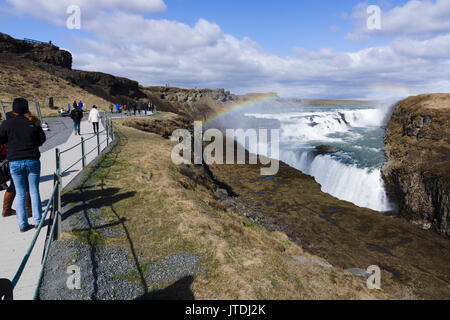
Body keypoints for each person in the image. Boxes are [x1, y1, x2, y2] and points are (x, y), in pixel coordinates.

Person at [0, 98, 46, 232]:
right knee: (34, 191)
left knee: (19, 193)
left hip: (15, 161)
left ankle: (23, 224)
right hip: (32, 159)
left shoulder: (7, 123)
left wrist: (11, 144)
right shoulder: (33, 121)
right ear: (26, 108)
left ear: (13, 109)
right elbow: (42, 139)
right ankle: (38, 221)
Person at [1, 142, 32, 218]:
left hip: (9, 158)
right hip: (13, 157)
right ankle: (28, 210)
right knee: (26, 183)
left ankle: (6, 209)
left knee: (14, 184)